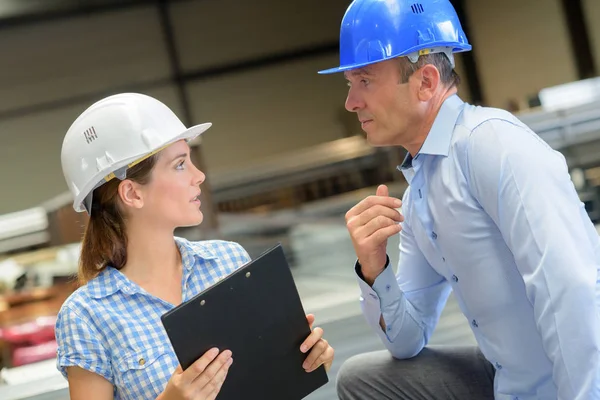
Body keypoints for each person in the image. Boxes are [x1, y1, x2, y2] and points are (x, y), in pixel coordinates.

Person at [318, 0, 600, 399]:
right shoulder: (421, 190)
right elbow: (407, 340)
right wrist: (374, 268)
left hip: (576, 381)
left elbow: (571, 290)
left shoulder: (492, 145)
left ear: (426, 82)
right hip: (514, 382)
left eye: (364, 81)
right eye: (350, 85)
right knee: (362, 379)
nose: (351, 102)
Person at [54, 93, 335, 400]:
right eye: (179, 165)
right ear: (132, 194)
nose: (198, 176)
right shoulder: (86, 315)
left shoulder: (228, 262)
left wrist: (303, 359)